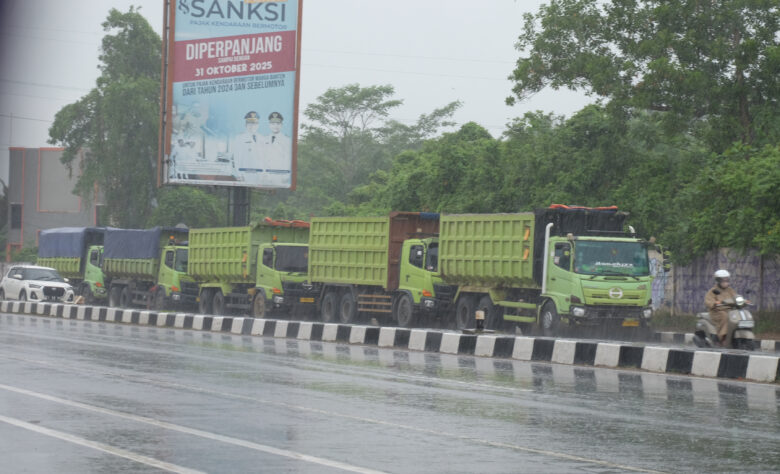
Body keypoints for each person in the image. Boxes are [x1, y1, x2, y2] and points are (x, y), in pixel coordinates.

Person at [704, 269, 737, 346]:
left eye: (727, 280)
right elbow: (708, 301)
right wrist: (715, 303)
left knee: (737, 315)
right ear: (718, 281)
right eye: (723, 280)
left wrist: (742, 300)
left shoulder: (730, 290)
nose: (726, 282)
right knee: (725, 316)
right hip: (717, 312)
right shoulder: (713, 291)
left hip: (729, 310)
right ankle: (722, 337)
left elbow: (736, 297)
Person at [261, 111, 292, 186]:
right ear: (269, 125)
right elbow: (261, 158)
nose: (275, 126)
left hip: (279, 176)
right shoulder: (264, 139)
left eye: (278, 124)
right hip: (265, 176)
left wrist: (286, 176)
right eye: (273, 123)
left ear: (281, 125)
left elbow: (287, 159)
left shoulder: (287, 140)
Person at [232, 111, 264, 182]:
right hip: (245, 175)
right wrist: (239, 175)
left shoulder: (262, 138)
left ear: (258, 125)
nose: (252, 126)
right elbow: (237, 158)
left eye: (255, 124)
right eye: (250, 123)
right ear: (246, 125)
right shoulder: (240, 138)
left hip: (259, 175)